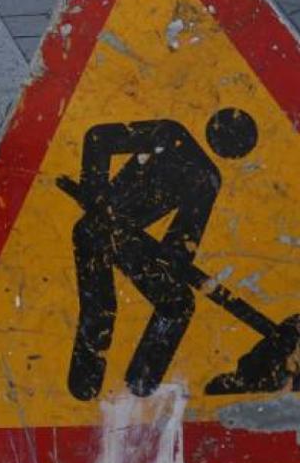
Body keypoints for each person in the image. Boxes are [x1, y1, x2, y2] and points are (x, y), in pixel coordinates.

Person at [58, 108, 258, 400]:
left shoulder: (208, 177)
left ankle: (140, 385)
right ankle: (84, 381)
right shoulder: (170, 133)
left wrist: (172, 262)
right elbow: (98, 137)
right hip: (96, 229)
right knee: (100, 308)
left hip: (131, 242)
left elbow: (183, 241)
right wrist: (96, 192)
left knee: (177, 303)